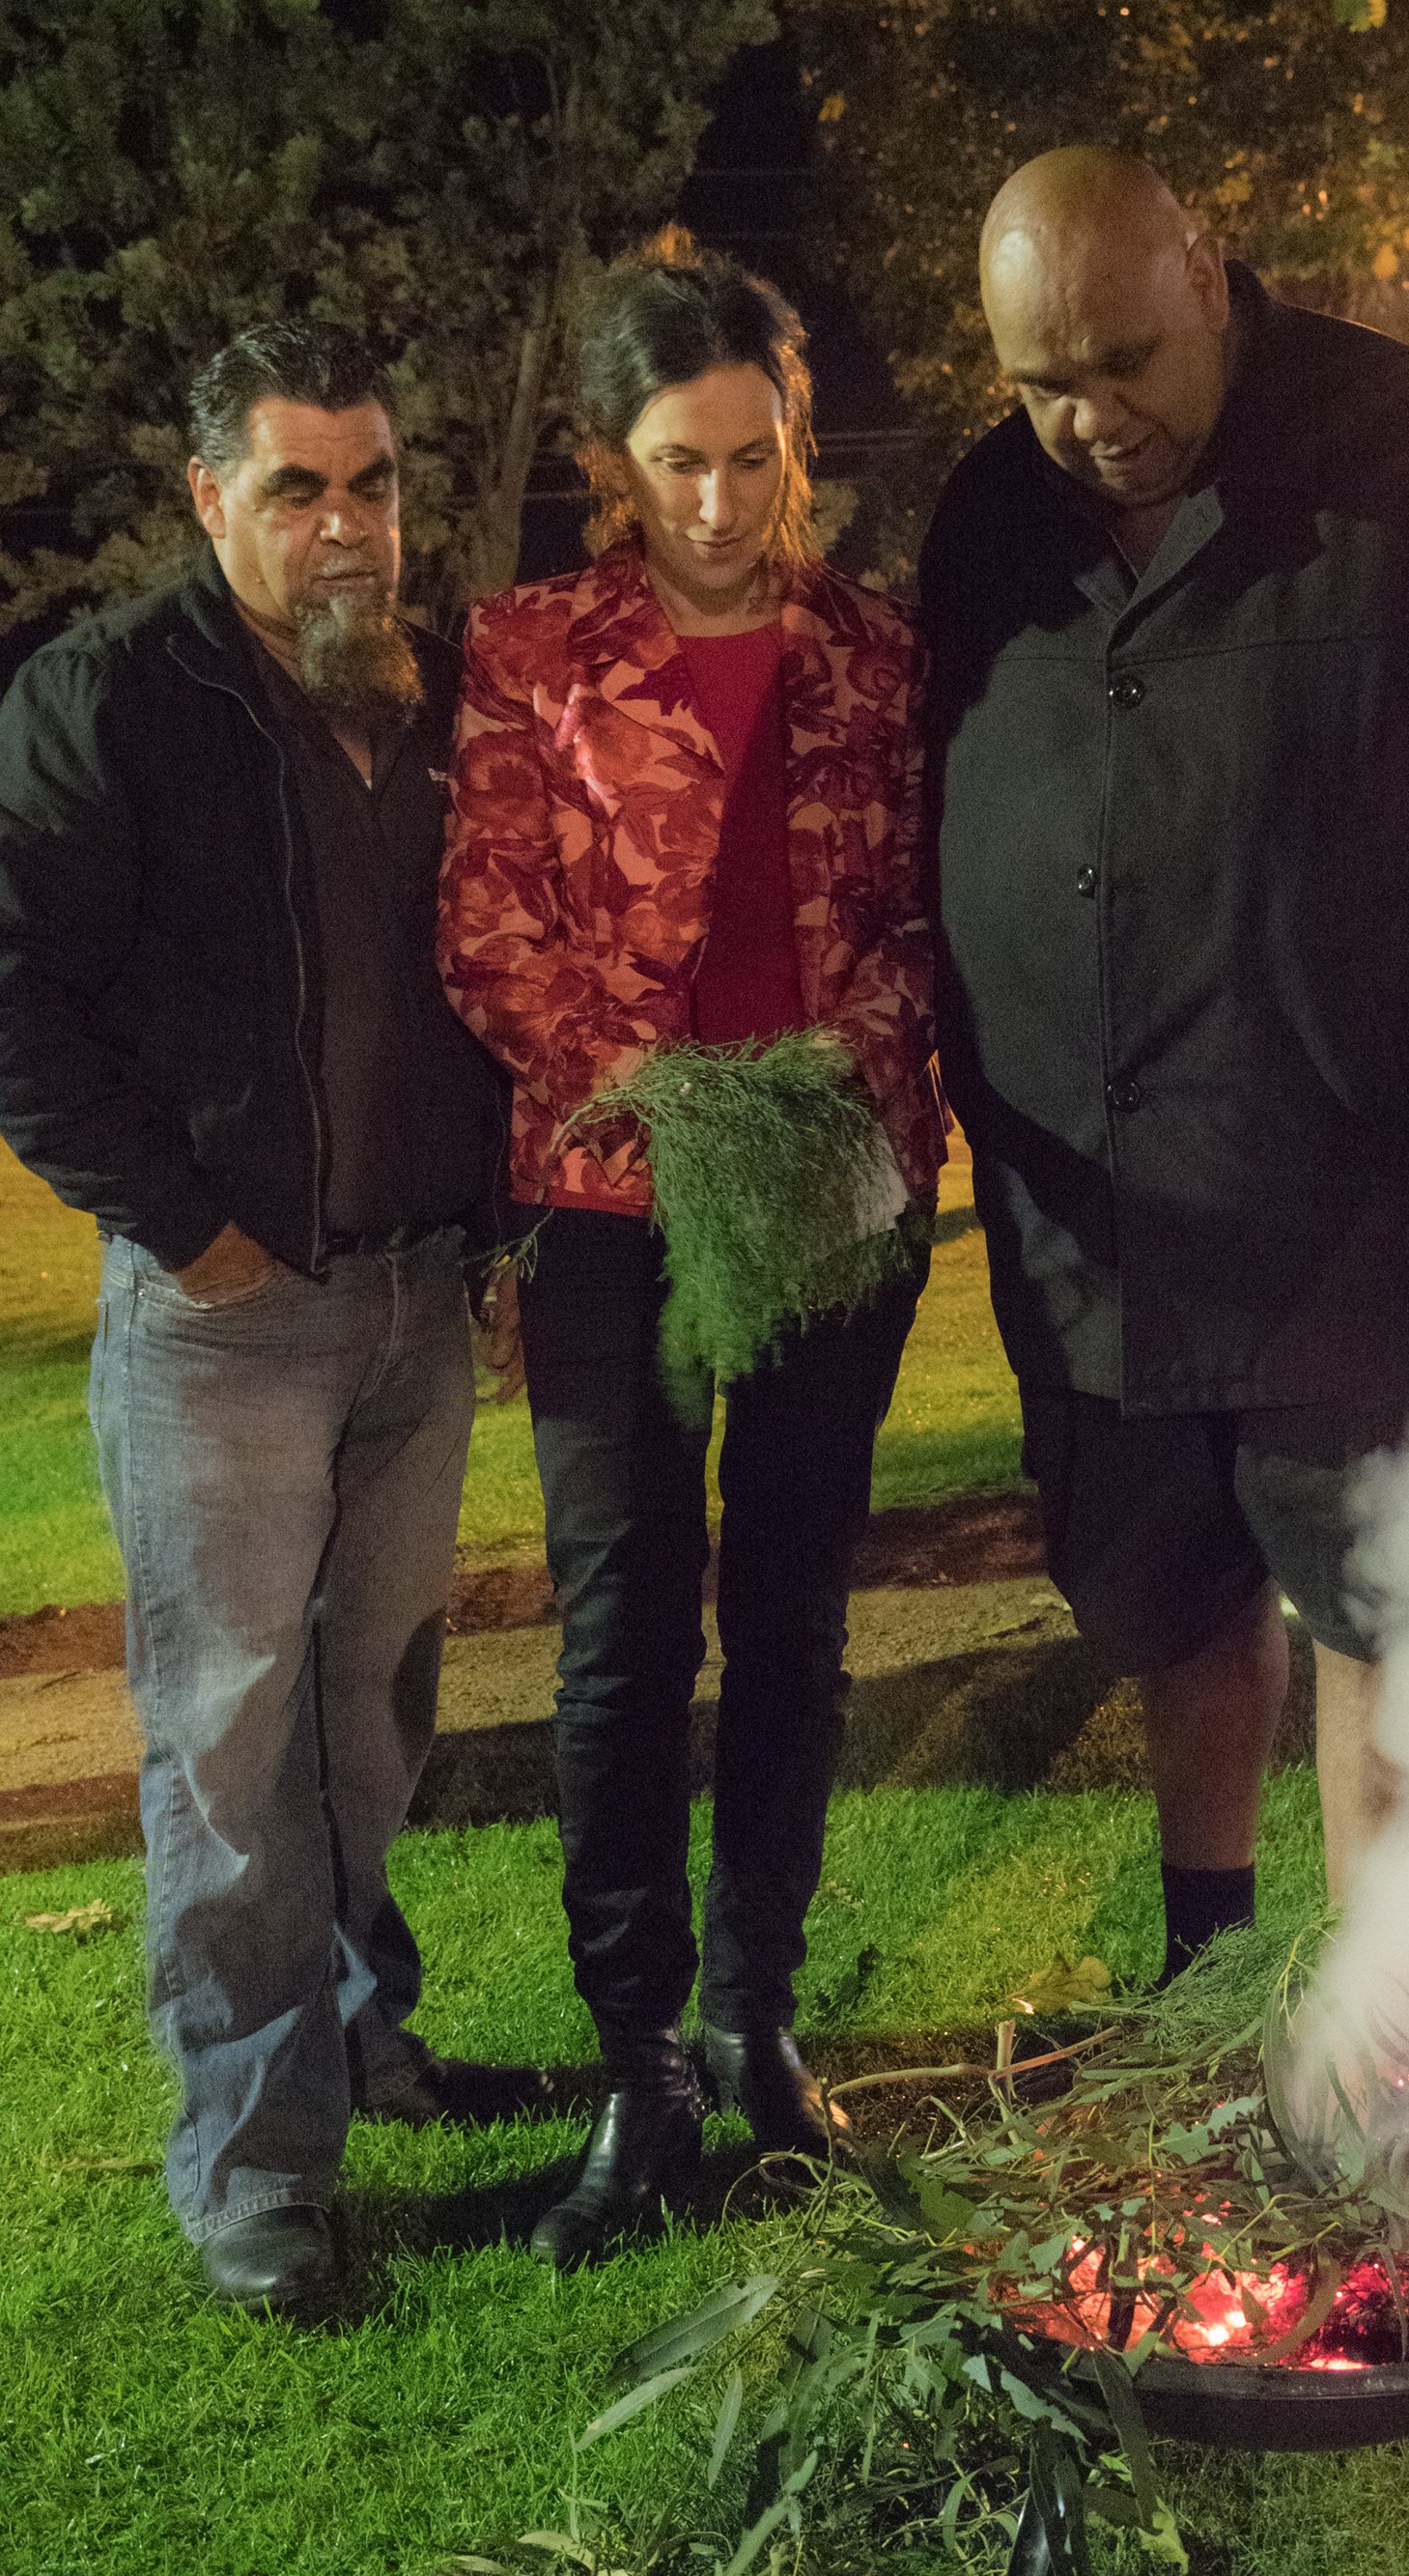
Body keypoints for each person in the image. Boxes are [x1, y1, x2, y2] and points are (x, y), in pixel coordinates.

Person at [921, 148, 1409, 1939]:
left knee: (1379, 1602)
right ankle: (1210, 1971)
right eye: (1040, 383)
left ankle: (1384, 2021)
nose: (1089, 419)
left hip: (1358, 1206)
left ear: (1212, 275)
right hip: (1105, 1228)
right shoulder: (983, 518)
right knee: (1174, 1600)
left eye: (1125, 362)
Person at [0, 322, 519, 2317]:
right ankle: (250, 2164)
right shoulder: (111, 701)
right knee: (227, 1747)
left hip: (413, 1296)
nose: (342, 526)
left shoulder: (436, 688)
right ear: (208, 491)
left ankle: (359, 2039)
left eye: (371, 483)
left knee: (371, 1722)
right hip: (228, 1320)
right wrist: (185, 1221)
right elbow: (16, 993)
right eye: (295, 486)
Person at [439, 229, 942, 2268]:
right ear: (611, 459)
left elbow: (919, 919)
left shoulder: (881, 656)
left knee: (800, 1620)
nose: (722, 506)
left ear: (799, 443)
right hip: (611, 1208)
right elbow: (488, 926)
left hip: (834, 1191)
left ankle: (759, 2020)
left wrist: (853, 1091)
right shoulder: (532, 651)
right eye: (679, 462)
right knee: (626, 1629)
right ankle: (636, 2057)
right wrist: (663, 1094)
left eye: (755, 458)